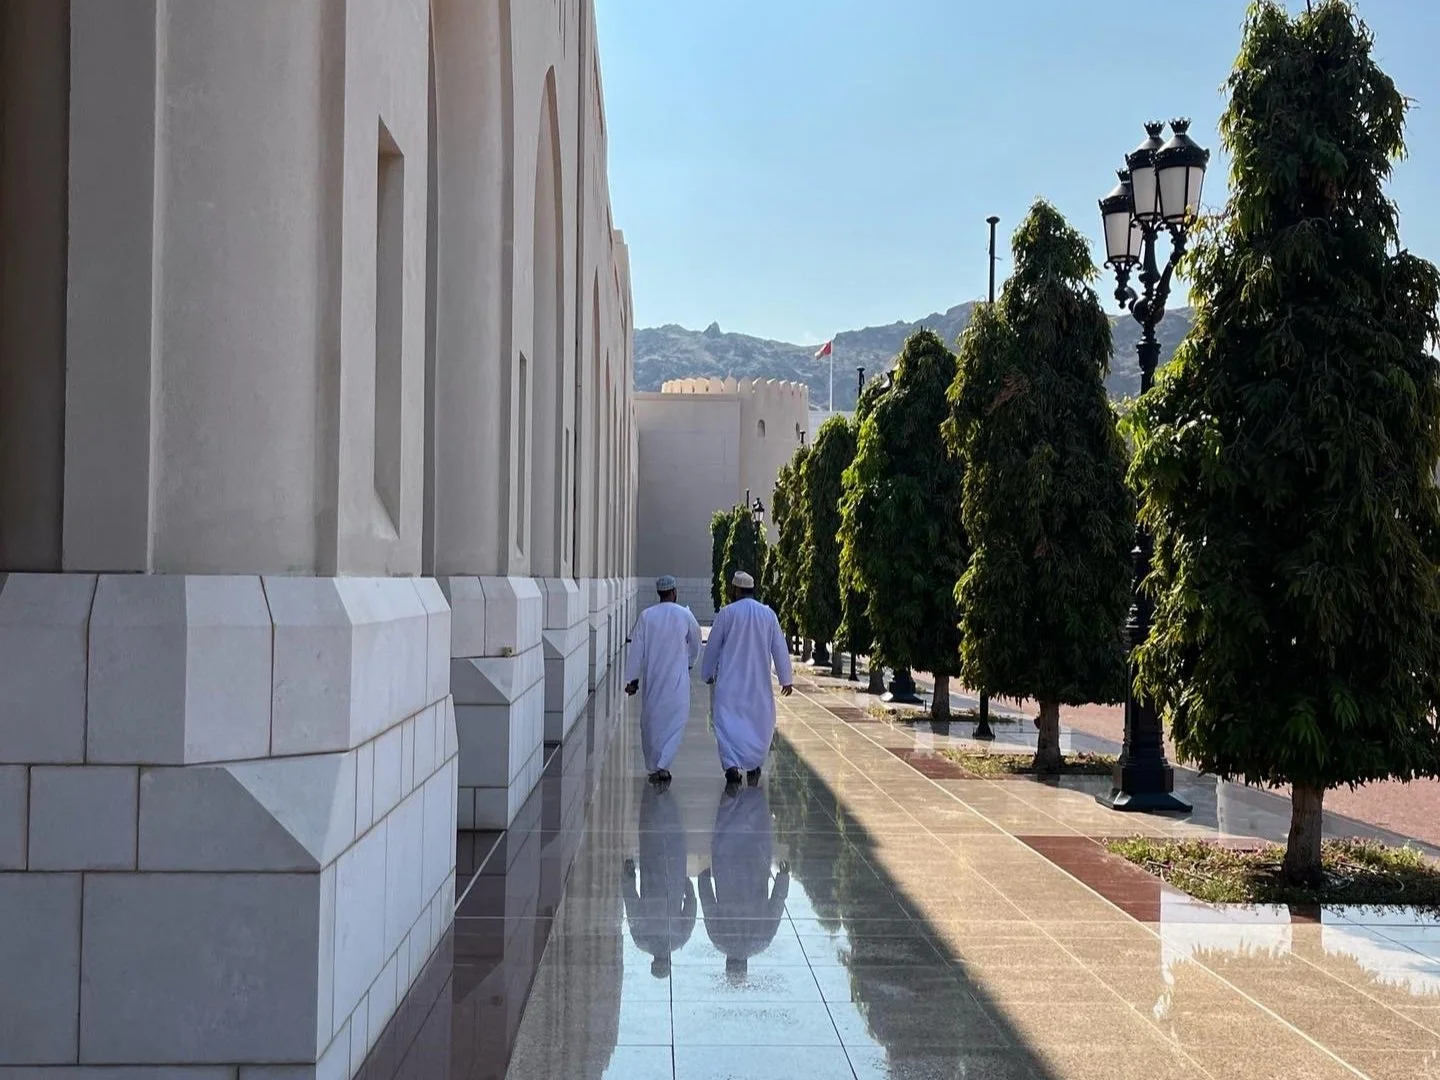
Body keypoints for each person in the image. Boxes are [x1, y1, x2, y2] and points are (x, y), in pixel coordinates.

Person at [699, 570, 794, 786]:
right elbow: (779, 647)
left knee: (726, 724)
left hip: (730, 684)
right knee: (757, 724)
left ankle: (731, 765)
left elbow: (712, 646)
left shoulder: (727, 613)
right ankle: (754, 763)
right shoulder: (767, 614)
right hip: (758, 684)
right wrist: (785, 678)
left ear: (736, 589)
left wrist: (707, 673)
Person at [624, 574, 702, 784]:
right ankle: (663, 765)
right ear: (674, 592)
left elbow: (636, 649)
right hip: (677, 681)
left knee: (651, 722)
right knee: (675, 722)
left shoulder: (647, 616)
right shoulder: (684, 615)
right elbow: (696, 642)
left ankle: (657, 764)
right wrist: (689, 663)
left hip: (653, 679)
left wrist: (632, 679)